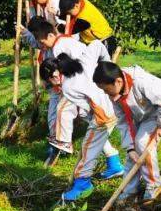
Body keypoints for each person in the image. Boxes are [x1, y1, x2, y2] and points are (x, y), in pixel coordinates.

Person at [26, 16, 122, 176]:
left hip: (90, 90)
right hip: (87, 92)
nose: (42, 46)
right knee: (94, 126)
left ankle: (65, 146)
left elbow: (83, 66)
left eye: (42, 42)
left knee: (67, 112)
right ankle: (114, 162)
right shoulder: (58, 46)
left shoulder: (62, 47)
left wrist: (105, 65)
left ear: (50, 35)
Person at [93, 61, 161, 203]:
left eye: (106, 89)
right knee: (133, 154)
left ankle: (154, 184)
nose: (105, 93)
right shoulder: (116, 95)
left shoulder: (141, 82)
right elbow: (123, 122)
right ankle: (129, 191)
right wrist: (130, 148)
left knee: (143, 143)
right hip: (144, 113)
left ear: (118, 81)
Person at [40, 55, 119, 202]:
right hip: (107, 107)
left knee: (87, 147)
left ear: (55, 76)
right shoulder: (79, 67)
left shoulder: (68, 87)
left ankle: (83, 184)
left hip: (102, 114)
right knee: (95, 142)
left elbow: (64, 110)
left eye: (50, 80)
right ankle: (114, 164)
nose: (52, 84)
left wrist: (63, 142)